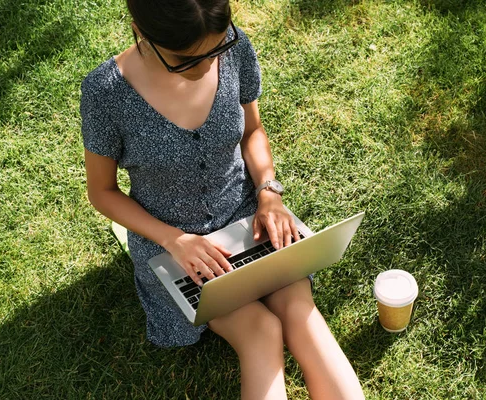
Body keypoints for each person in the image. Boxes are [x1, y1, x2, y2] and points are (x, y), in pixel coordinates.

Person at [80, 1, 364, 398]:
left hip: (248, 216)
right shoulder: (105, 93)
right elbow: (102, 192)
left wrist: (268, 192)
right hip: (176, 243)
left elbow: (253, 132)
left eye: (214, 51)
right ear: (139, 31)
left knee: (300, 312)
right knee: (260, 331)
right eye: (184, 60)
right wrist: (174, 239)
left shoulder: (233, 46)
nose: (203, 67)